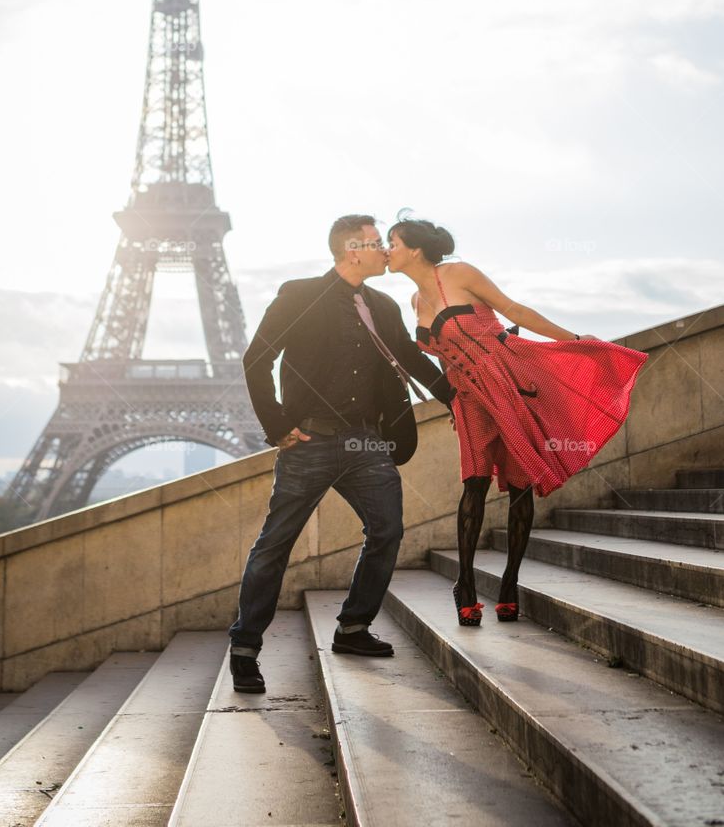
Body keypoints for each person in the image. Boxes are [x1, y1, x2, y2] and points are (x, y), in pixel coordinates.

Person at [228, 213, 456, 693]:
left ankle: (353, 627)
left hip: (366, 441)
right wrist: (278, 425)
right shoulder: (299, 295)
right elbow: (257, 359)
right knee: (275, 544)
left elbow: (412, 359)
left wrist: (460, 396)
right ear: (352, 250)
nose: (386, 252)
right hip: (309, 440)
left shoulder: (383, 306)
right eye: (378, 244)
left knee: (388, 530)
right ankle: (245, 647)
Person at [386, 213, 648, 628]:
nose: (387, 250)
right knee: (473, 482)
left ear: (415, 249)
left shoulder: (459, 272)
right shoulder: (415, 302)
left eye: (393, 242)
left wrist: (572, 340)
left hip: (509, 382)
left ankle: (510, 584)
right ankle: (466, 585)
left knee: (521, 483)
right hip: (468, 398)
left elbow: (513, 310)